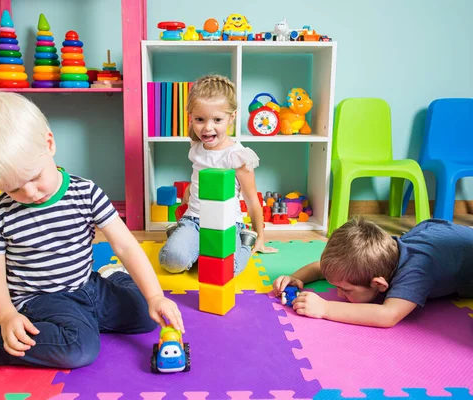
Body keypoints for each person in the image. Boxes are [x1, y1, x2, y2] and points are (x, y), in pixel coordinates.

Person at [0, 92, 184, 385]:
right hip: (41, 300)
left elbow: (125, 245)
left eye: (34, 177)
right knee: (79, 349)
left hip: (87, 284)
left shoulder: (86, 193)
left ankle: (115, 279)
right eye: (14, 189)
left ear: (48, 144)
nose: (30, 194)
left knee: (147, 316)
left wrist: (155, 296)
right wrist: (7, 316)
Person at [159, 75, 277, 276]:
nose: (207, 127)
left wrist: (260, 237)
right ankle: (185, 240)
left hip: (227, 225)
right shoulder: (196, 147)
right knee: (171, 261)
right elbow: (196, 179)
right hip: (194, 221)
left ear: (231, 118)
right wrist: (186, 200)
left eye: (217, 120)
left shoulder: (238, 156)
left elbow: (252, 200)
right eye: (199, 119)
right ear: (191, 118)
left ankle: (245, 241)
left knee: (223, 271)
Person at [272, 217, 473, 328]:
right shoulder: (381, 254)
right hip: (436, 233)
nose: (339, 294)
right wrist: (296, 277)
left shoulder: (416, 272)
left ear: (379, 284)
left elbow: (388, 315)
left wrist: (324, 308)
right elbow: (320, 268)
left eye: (346, 290)